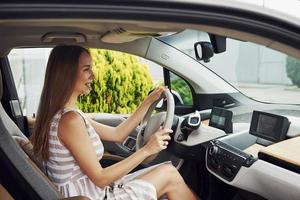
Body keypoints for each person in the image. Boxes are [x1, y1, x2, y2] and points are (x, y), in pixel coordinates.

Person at [31, 45, 198, 200]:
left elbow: (117, 134)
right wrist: (147, 149)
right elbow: (101, 178)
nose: (93, 75)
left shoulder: (63, 114)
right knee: (169, 174)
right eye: (86, 69)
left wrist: (148, 102)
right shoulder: (69, 121)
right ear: (67, 74)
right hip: (94, 196)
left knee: (164, 171)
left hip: (94, 192)